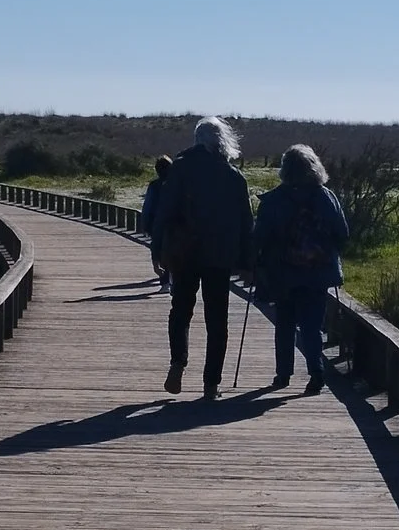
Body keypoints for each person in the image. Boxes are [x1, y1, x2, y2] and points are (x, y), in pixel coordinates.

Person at [156, 117, 253, 398]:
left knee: (181, 310)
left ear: (196, 139)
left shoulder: (180, 168)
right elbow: (246, 224)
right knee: (217, 320)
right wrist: (248, 263)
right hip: (219, 257)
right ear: (223, 141)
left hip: (185, 253)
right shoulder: (234, 177)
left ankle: (178, 362)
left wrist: (158, 250)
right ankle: (211, 384)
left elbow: (164, 211)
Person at [251, 144, 350, 393]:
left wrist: (256, 261)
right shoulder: (325, 196)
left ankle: (283, 375)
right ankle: (316, 373)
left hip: (283, 274)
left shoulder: (274, 199)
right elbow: (342, 233)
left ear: (285, 169)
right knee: (311, 326)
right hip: (316, 274)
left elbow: (260, 237)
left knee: (284, 323)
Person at [138, 155, 173, 290]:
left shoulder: (154, 185)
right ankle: (170, 279)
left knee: (159, 250)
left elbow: (148, 206)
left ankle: (164, 281)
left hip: (157, 223)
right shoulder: (177, 184)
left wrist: (145, 224)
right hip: (174, 223)